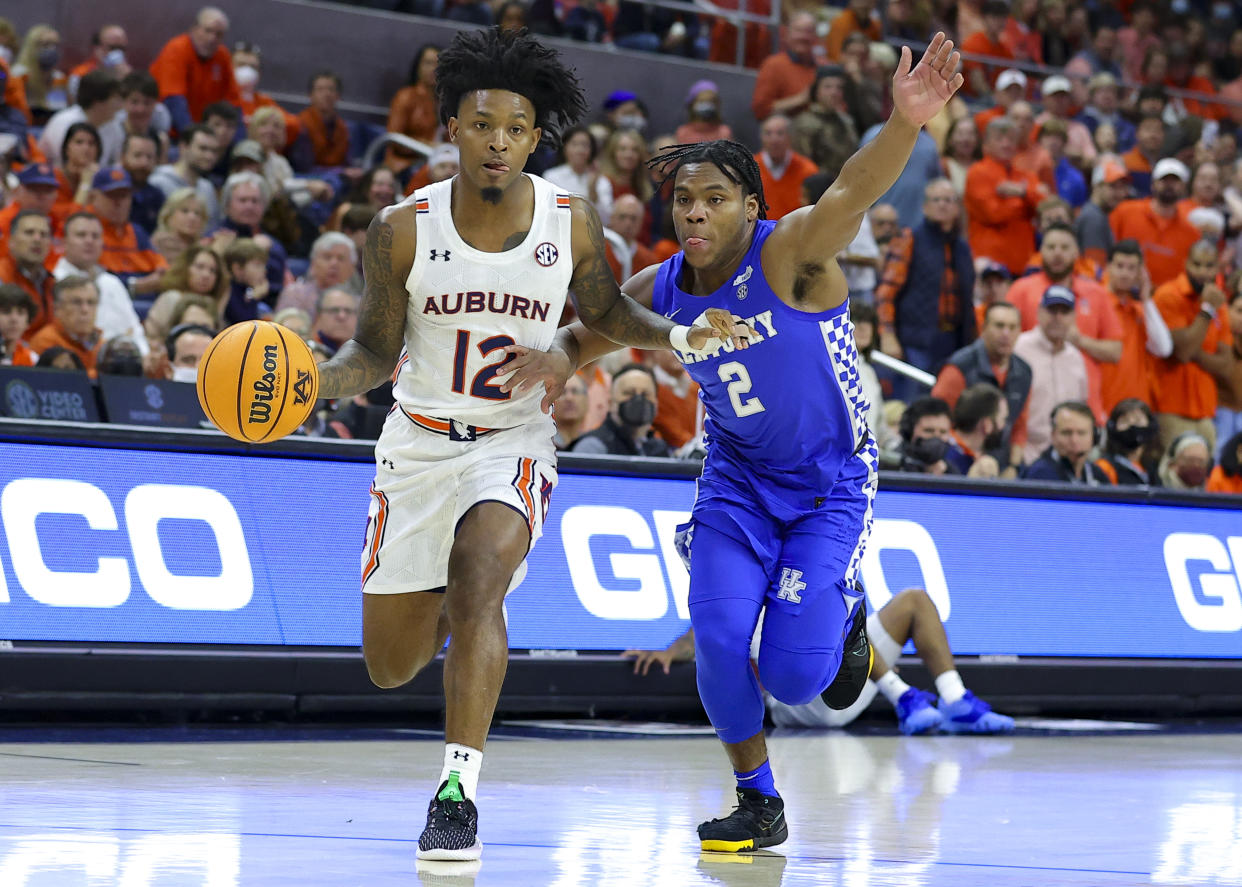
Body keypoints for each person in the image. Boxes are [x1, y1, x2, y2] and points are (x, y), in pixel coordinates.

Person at [503, 32, 965, 853]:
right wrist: (559, 358)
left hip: (829, 487)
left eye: (714, 198)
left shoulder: (789, 254)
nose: (695, 212)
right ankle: (757, 797)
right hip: (737, 482)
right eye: (684, 200)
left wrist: (905, 123)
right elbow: (601, 326)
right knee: (717, 638)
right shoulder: (667, 283)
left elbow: (852, 192)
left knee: (794, 677)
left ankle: (850, 612)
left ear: (750, 205)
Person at [307, 28, 743, 862]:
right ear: (451, 128)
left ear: (536, 136)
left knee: (481, 583)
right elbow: (369, 354)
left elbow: (611, 314)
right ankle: (450, 609)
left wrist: (682, 335)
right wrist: (310, 385)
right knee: (390, 665)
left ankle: (457, 793)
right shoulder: (401, 230)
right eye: (482, 124)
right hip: (419, 449)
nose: (499, 141)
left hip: (512, 441)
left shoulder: (570, 222)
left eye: (516, 127)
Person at [627, 587, 1015, 736]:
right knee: (830, 615)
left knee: (914, 601)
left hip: (843, 679)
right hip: (795, 703)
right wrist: (668, 652)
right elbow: (707, 631)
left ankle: (955, 699)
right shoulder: (750, 576)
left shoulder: (810, 551)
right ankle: (904, 697)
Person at [875, 178, 976, 392]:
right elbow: (886, 292)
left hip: (955, 342)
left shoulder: (962, 247)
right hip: (915, 341)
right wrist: (888, 334)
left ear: (957, 207)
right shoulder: (909, 239)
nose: (943, 204)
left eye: (948, 200)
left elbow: (968, 300)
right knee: (913, 403)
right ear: (925, 206)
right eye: (936, 199)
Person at [1151, 240, 1235, 452]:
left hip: (1206, 410)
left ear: (1218, 267)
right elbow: (1184, 353)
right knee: (1176, 477)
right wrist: (1206, 311)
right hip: (1170, 407)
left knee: (1204, 476)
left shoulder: (1219, 302)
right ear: (1186, 263)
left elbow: (1225, 364)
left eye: (1209, 266)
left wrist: (1190, 344)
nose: (1202, 272)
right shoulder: (1168, 295)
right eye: (1197, 264)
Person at [933, 302, 1030, 476]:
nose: (1006, 333)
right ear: (983, 328)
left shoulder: (1024, 372)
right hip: (959, 465)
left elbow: (1019, 427)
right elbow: (938, 423)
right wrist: (973, 461)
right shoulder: (959, 367)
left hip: (1003, 466)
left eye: (1012, 327)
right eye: (999, 326)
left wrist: (1013, 468)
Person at [1014, 285, 1103, 464]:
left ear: (1074, 317)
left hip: (1067, 457)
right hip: (1027, 453)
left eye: (1065, 312)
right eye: (1052, 311)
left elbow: (1082, 407)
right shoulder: (1019, 349)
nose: (1058, 318)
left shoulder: (1076, 357)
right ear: (1039, 312)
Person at [52, 211, 148, 354]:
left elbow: (136, 332)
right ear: (64, 241)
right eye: (81, 235)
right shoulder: (53, 280)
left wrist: (143, 356)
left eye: (95, 236)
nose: (89, 241)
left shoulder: (112, 282)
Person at [1098, 240, 1172, 413]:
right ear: (1108, 267)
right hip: (1102, 403)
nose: (1125, 273)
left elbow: (1164, 348)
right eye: (1120, 266)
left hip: (1137, 406)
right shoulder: (1096, 303)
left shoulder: (1140, 309)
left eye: (1132, 268)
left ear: (1141, 273)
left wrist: (1146, 298)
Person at [965, 117, 1044, 277]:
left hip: (1023, 264)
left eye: (1011, 139)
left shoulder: (1027, 176)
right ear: (985, 144)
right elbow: (993, 214)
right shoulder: (977, 172)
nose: (1006, 143)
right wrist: (1024, 199)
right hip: (988, 264)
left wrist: (1021, 193)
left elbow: (1044, 208)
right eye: (1000, 138)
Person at [148, 6, 240, 133]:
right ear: (194, 29)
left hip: (205, 133)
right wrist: (193, 135)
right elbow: (173, 101)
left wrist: (240, 146)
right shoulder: (177, 49)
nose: (212, 38)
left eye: (218, 34)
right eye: (208, 31)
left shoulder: (222, 55)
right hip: (171, 132)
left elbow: (233, 104)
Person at [1111, 158, 1201, 287]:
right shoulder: (1125, 211)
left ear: (1184, 187)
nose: (1169, 185)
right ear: (1153, 184)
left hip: (1166, 301)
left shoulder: (1192, 231)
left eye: (1175, 181)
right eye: (1164, 180)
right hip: (1125, 292)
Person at [570, 362, 671, 456]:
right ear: (610, 402)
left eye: (645, 394)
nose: (638, 400)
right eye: (629, 393)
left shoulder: (659, 449)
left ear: (656, 403)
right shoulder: (593, 448)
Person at [38, 69, 123, 167]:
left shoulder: (114, 125)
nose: (120, 105)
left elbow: (117, 166)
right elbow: (66, 167)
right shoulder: (64, 123)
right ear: (98, 101)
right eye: (116, 98)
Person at [27, 274, 103, 377]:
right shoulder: (45, 341)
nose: (85, 310)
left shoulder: (102, 345)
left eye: (91, 302)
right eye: (76, 302)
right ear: (57, 308)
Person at [750, 12, 820, 122]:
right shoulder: (773, 65)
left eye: (809, 32)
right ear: (787, 35)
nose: (803, 37)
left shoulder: (822, 67)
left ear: (816, 37)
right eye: (798, 31)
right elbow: (760, 110)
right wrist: (801, 99)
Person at [791, 66, 859, 179]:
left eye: (839, 88)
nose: (834, 92)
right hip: (818, 187)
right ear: (816, 91)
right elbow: (803, 165)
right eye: (827, 87)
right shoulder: (805, 124)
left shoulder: (847, 122)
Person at [1022, 401, 1112, 484]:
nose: (1074, 440)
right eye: (1066, 433)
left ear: (1094, 436)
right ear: (1053, 435)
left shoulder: (1097, 475)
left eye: (1081, 433)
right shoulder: (1039, 475)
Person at [150, 124, 221, 227]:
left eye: (213, 151)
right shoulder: (158, 182)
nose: (209, 156)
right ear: (184, 147)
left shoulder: (208, 188)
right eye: (203, 148)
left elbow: (211, 228)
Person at [274, 232, 358, 319]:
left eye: (341, 258)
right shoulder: (295, 294)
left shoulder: (360, 302)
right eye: (327, 257)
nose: (334, 264)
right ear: (313, 263)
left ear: (352, 267)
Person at [385, 45, 440, 174]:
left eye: (438, 64)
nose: (433, 69)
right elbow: (394, 139)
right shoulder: (406, 96)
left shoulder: (445, 102)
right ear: (418, 67)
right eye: (428, 63)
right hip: (406, 165)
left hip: (438, 162)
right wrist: (427, 146)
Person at [541, 125, 613, 222]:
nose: (580, 150)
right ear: (565, 148)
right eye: (574, 144)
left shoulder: (602, 181)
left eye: (585, 145)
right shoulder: (551, 177)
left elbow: (606, 219)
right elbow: (547, 211)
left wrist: (592, 189)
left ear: (591, 150)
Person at [752, 114, 815, 223]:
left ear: (790, 137)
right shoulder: (749, 169)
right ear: (761, 138)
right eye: (768, 133)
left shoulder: (808, 170)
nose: (774, 139)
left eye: (780, 133)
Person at [0, 211, 55, 334]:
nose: (37, 239)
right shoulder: (1, 276)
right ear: (11, 241)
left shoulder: (52, 282)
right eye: (29, 233)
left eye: (44, 235)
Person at [946, 383, 1007, 477]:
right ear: (987, 424)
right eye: (1003, 419)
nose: (1005, 426)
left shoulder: (975, 457)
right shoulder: (948, 459)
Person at [1095, 398, 1159, 485]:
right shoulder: (1105, 467)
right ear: (1113, 428)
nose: (1132, 426)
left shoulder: (1152, 467)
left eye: (1138, 420)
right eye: (1124, 421)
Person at [1076, 159, 1128, 267]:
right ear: (1097, 186)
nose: (1119, 193)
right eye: (1112, 186)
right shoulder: (1093, 218)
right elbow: (1094, 266)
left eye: (1122, 187)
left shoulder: (1098, 214)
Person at [296, 71, 351, 170]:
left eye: (331, 89)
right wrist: (338, 172)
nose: (326, 94)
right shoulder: (301, 124)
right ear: (310, 95)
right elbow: (303, 167)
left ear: (338, 96)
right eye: (320, 89)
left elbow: (346, 163)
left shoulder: (342, 127)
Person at [891, 395, 955, 474]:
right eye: (929, 430)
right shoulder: (889, 466)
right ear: (909, 432)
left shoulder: (950, 471)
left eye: (943, 432)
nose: (937, 437)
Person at [67, 24, 130, 103]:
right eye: (112, 48)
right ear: (97, 48)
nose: (117, 53)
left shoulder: (127, 73)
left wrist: (127, 77)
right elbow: (75, 104)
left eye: (121, 48)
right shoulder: (80, 74)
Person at [1215, 290, 1242, 456]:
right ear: (1227, 310)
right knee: (1220, 456)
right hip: (1222, 410)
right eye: (1239, 311)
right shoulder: (1218, 335)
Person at [122, 132, 165, 236]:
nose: (144, 163)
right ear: (122, 157)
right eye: (137, 155)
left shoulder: (157, 197)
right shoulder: (108, 189)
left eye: (149, 157)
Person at [676, 81, 732, 145]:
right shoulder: (683, 132)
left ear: (717, 105)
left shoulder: (723, 132)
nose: (707, 105)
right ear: (692, 104)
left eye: (711, 101)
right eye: (701, 101)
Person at [0, 283, 38, 366]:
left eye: (20, 313)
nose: (14, 319)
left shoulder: (33, 359)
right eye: (6, 312)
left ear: (28, 322)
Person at [552, 372, 591, 449]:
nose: (569, 398)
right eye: (562, 393)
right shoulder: (541, 445)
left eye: (575, 392)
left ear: (587, 401)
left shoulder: (592, 445)